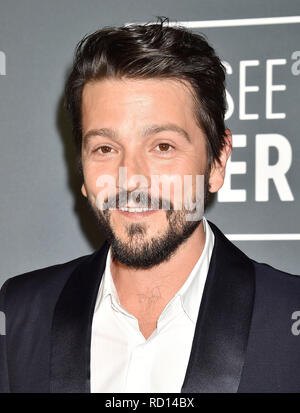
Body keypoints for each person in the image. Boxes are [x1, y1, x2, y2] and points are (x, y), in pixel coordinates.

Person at [1, 17, 300, 394]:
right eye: (105, 149)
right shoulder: (20, 314)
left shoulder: (289, 320)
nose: (131, 179)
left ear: (217, 162)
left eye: (163, 146)